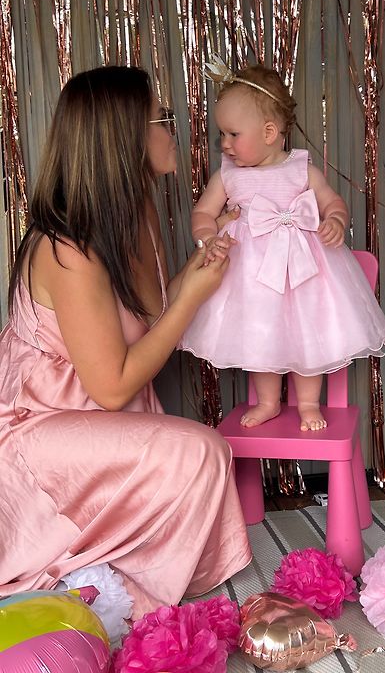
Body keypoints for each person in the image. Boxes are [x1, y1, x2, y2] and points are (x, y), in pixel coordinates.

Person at [0, 65, 252, 619]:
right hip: (41, 433)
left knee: (201, 454)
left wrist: (199, 270)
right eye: (162, 119)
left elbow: (151, 317)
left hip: (101, 416)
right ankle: (88, 577)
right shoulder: (69, 247)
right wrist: (192, 299)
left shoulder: (135, 213)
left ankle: (110, 572)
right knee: (202, 451)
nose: (174, 130)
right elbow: (112, 386)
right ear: (125, 139)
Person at [180, 62, 385, 431]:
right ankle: (267, 402)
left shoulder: (301, 168)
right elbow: (203, 213)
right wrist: (208, 237)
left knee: (309, 333)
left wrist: (335, 220)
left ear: (269, 132)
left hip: (304, 275)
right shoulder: (228, 175)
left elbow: (332, 201)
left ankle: (308, 403)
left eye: (233, 134)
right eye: (221, 134)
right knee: (260, 335)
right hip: (252, 279)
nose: (224, 144)